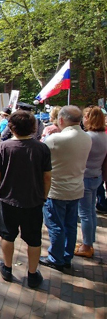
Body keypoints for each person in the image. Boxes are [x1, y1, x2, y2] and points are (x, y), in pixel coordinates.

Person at [0, 110, 51, 288]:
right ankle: (32, 274)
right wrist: (44, 195)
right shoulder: (41, 148)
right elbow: (47, 176)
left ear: (11, 127)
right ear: (33, 127)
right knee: (34, 239)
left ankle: (7, 268)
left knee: (8, 236)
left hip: (8, 199)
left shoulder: (3, 147)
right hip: (33, 200)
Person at [39, 105, 92, 271]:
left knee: (55, 225)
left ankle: (56, 258)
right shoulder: (87, 138)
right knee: (70, 225)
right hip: (76, 188)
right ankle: (66, 256)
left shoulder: (56, 140)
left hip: (56, 190)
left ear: (61, 120)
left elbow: (40, 160)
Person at [75, 106, 107, 258]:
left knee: (85, 213)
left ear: (89, 118)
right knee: (91, 212)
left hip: (86, 177)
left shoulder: (88, 137)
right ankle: (89, 242)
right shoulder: (104, 136)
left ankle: (87, 245)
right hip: (97, 176)